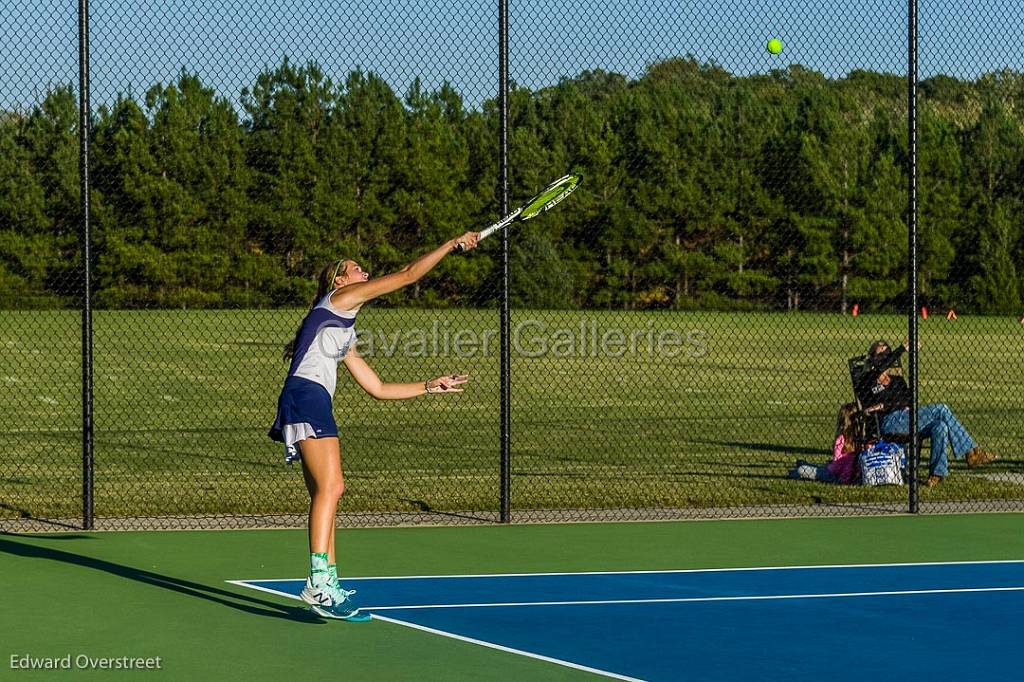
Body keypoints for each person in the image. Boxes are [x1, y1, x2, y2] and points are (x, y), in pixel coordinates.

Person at [268, 230, 480, 621]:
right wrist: (451, 244)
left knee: (326, 494)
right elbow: (408, 275)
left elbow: (377, 387)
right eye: (354, 268)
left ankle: (328, 582)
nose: (362, 270)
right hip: (306, 397)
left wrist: (430, 386)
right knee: (333, 487)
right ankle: (317, 582)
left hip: (308, 399)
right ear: (339, 282)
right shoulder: (337, 301)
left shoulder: (342, 330)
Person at [857, 339, 997, 487]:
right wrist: (902, 349)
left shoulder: (897, 380)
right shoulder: (867, 380)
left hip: (907, 418)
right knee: (941, 409)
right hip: (888, 423)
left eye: (887, 353)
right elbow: (881, 375)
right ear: (872, 358)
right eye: (880, 354)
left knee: (940, 426)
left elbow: (909, 401)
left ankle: (936, 474)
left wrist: (884, 405)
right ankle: (971, 452)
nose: (884, 357)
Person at [788, 402, 862, 483]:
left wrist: (831, 466)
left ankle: (796, 470)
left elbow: (836, 465)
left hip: (836, 476)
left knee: (803, 470)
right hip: (848, 476)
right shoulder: (861, 438)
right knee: (820, 468)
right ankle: (803, 464)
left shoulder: (841, 439)